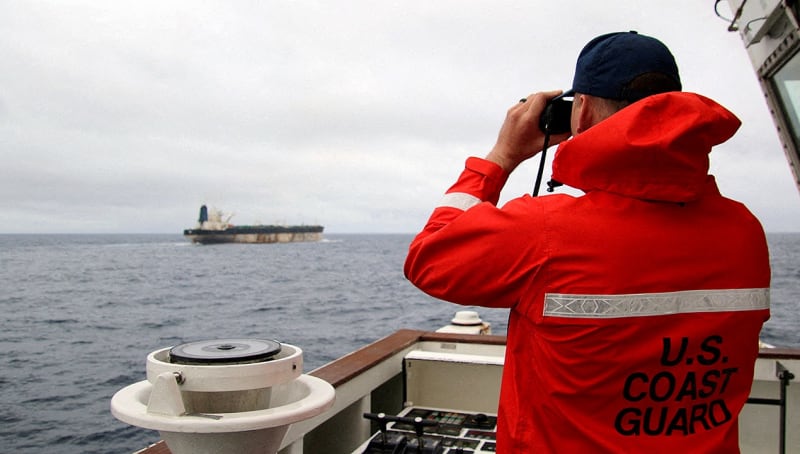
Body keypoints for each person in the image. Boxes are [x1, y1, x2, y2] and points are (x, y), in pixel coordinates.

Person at [404, 31, 770, 452]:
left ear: (581, 110)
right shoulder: (745, 231)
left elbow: (428, 257)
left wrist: (501, 156)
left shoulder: (544, 232)